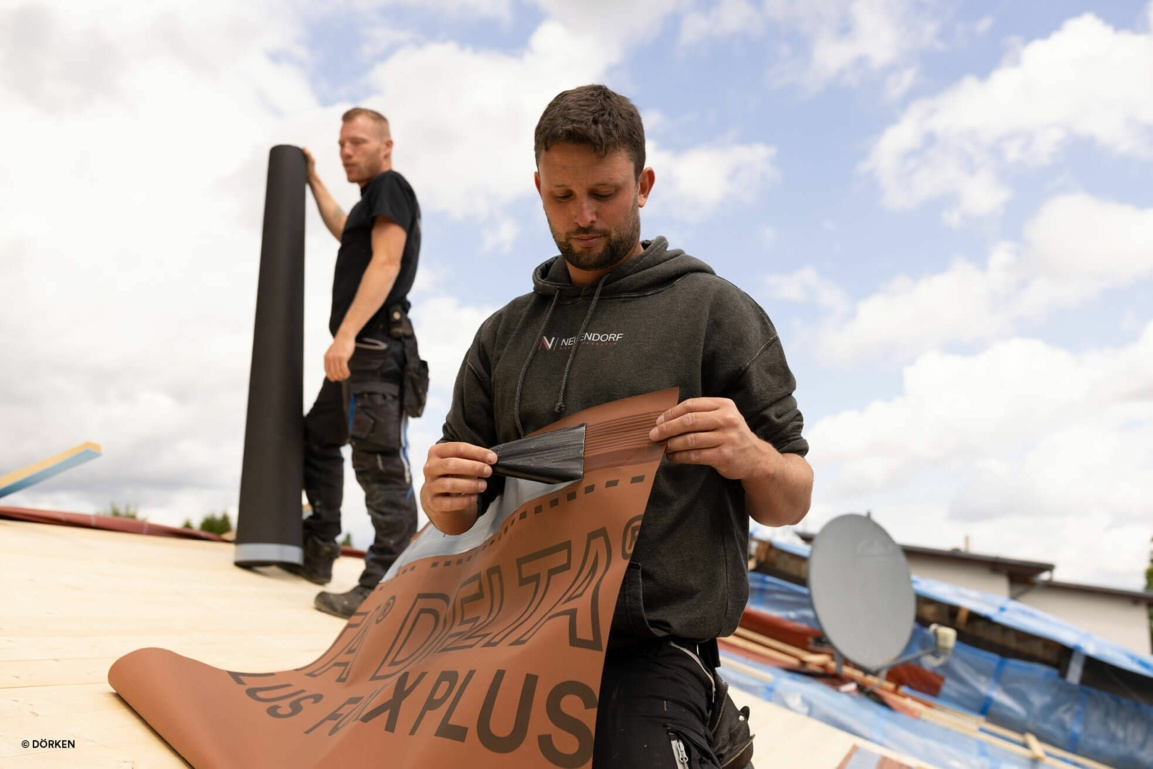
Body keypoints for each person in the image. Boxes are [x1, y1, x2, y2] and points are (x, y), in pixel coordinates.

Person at [420, 85, 813, 767]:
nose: (583, 215)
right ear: (537, 186)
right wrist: (440, 497)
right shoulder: (503, 335)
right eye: (562, 196)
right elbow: (458, 516)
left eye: (604, 192)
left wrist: (749, 455)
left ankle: (708, 724)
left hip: (650, 653)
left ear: (644, 184)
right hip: (511, 642)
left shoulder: (713, 313)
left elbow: (792, 497)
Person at [295, 107, 427, 620]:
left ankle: (384, 590)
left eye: (356, 142)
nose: (346, 151)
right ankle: (321, 546)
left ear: (385, 146)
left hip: (371, 352)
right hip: (359, 356)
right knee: (318, 436)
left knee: (379, 467)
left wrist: (345, 336)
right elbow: (342, 226)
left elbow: (387, 261)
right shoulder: (369, 202)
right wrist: (313, 180)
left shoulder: (391, 186)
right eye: (340, 145)